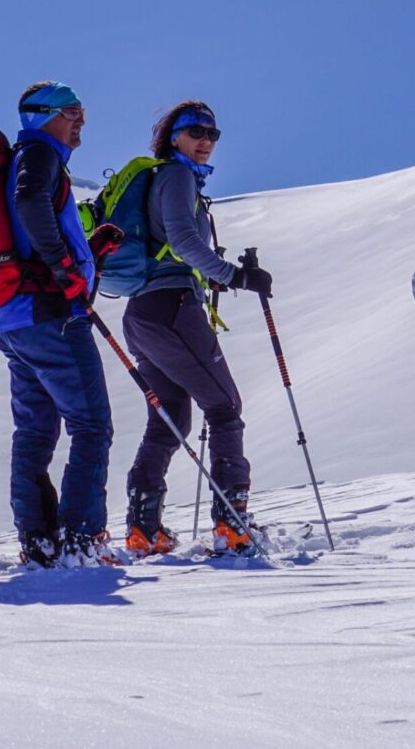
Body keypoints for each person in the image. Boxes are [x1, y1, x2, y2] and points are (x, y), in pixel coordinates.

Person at [122, 100, 272, 556]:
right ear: (174, 137)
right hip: (172, 308)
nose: (206, 141)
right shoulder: (177, 176)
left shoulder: (166, 178)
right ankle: (232, 523)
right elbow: (183, 241)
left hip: (143, 314)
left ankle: (143, 530)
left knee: (170, 419)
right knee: (224, 407)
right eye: (196, 132)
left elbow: (173, 245)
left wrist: (210, 276)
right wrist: (234, 275)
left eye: (213, 134)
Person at [0, 81, 116, 568]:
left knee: (34, 433)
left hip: (16, 321)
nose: (80, 118)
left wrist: (88, 250)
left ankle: (39, 541)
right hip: (53, 317)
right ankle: (82, 540)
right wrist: (67, 270)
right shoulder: (40, 154)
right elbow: (30, 205)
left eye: (82, 109)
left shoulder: (27, 159)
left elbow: (34, 220)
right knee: (91, 425)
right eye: (71, 110)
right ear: (40, 116)